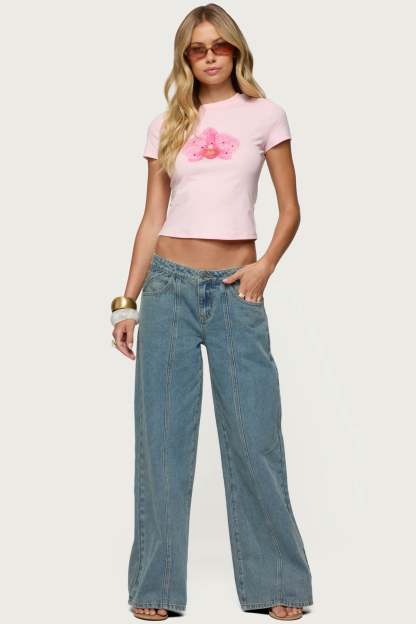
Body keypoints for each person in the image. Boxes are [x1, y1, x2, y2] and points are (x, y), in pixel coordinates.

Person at [110, 4, 313, 622]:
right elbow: (152, 217)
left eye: (219, 45)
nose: (209, 56)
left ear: (235, 50)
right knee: (162, 442)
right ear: (185, 58)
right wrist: (127, 301)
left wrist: (263, 267)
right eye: (197, 49)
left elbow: (290, 209)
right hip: (168, 288)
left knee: (255, 437)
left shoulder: (265, 115)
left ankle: (276, 582)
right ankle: (155, 589)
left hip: (235, 291)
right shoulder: (167, 124)